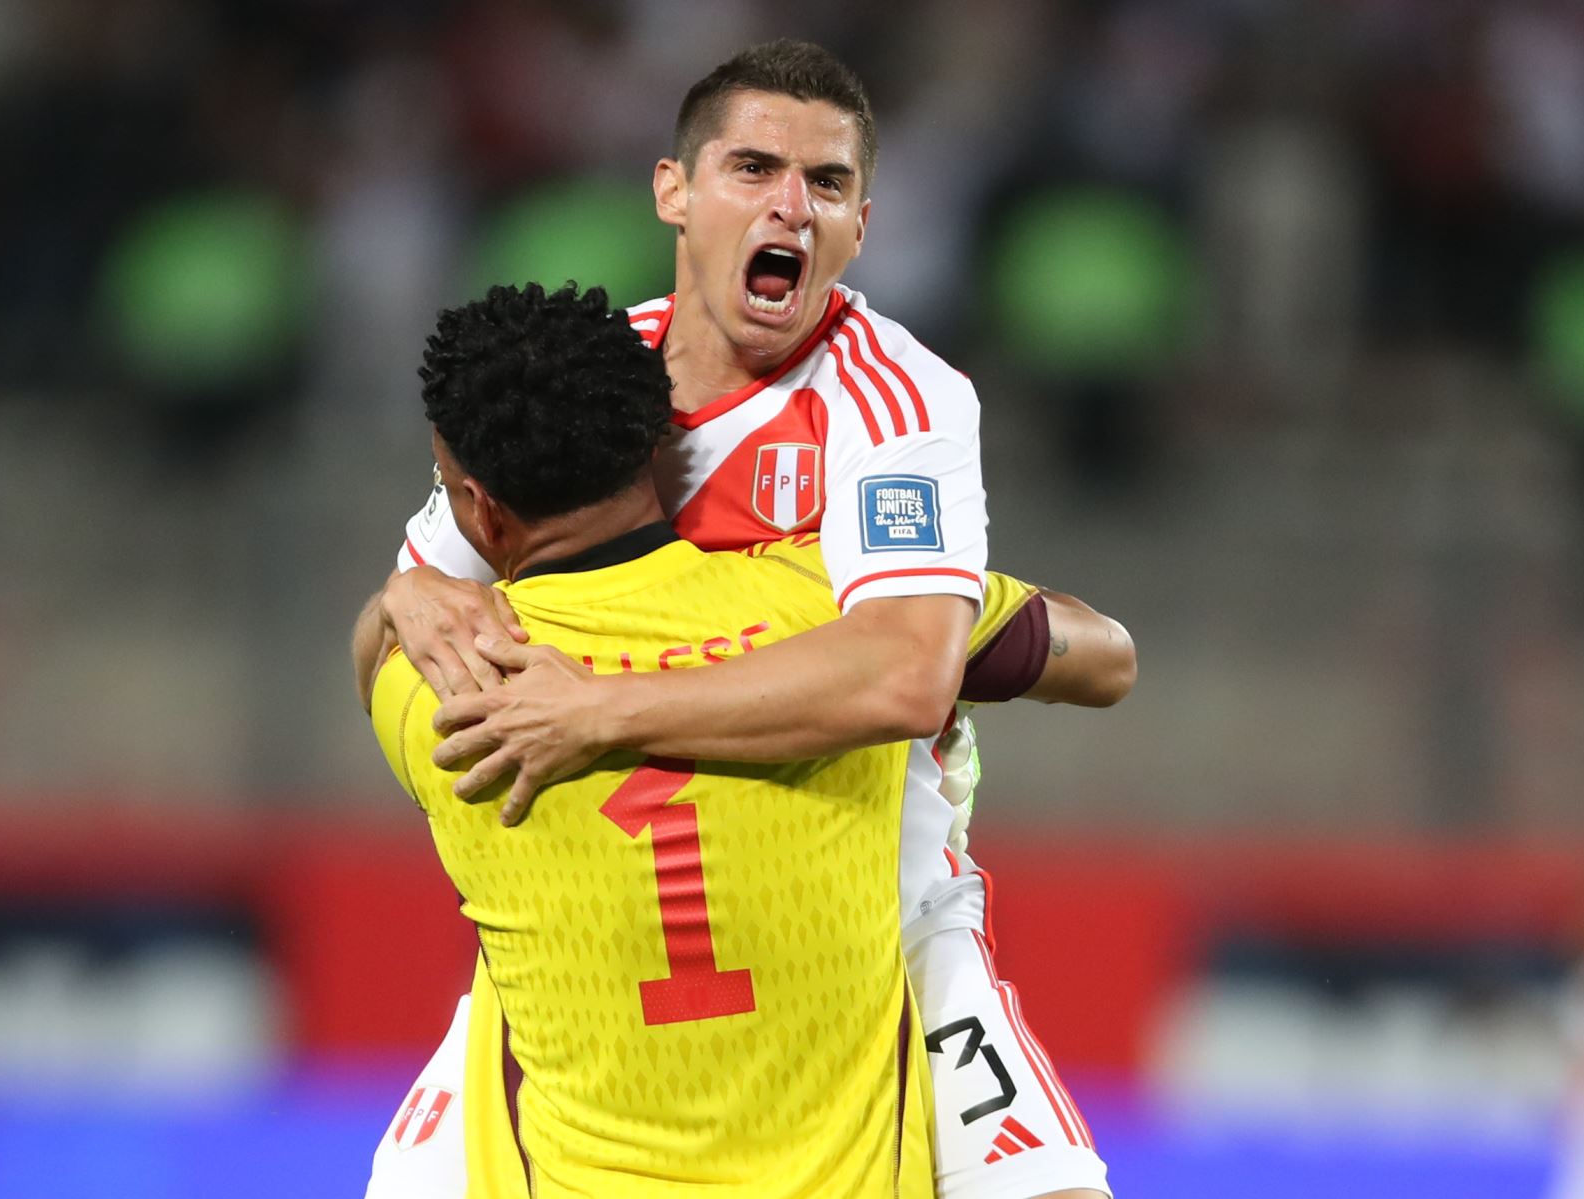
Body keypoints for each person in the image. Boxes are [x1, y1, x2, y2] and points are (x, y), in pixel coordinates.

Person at [357, 42, 1130, 1199]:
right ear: (673, 189)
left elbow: (906, 680)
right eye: (755, 168)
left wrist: (601, 711)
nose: (791, 208)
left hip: (873, 911)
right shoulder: (588, 378)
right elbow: (405, 617)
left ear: (863, 223)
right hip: (607, 934)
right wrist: (409, 590)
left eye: (825, 185)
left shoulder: (894, 398)